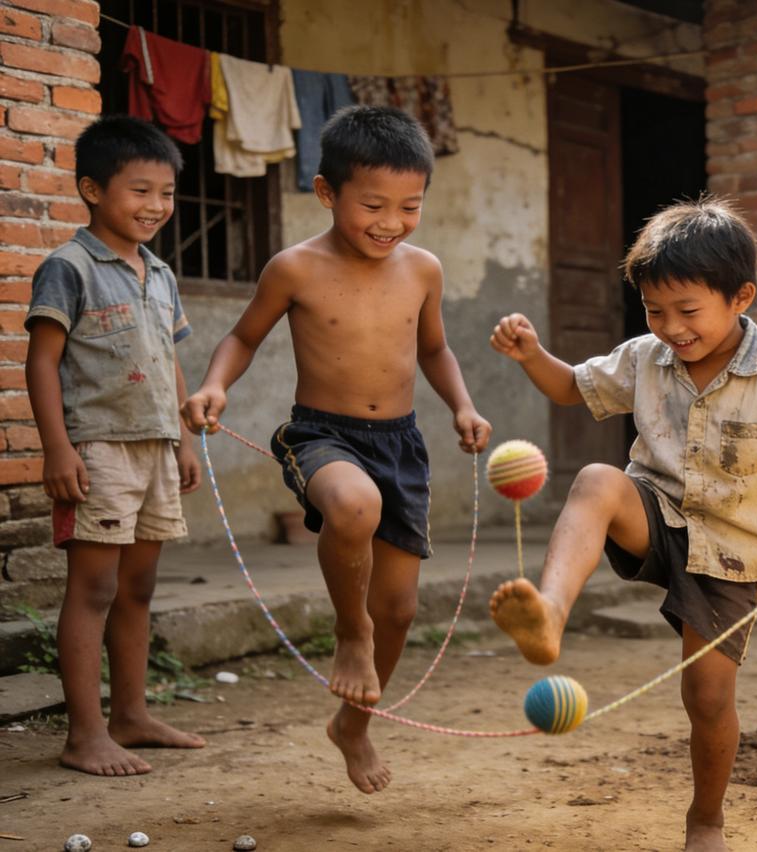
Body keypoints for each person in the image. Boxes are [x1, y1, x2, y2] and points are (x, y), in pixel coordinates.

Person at [487, 197, 757, 852]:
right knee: (597, 480)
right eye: (655, 311)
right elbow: (571, 388)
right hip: (654, 510)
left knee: (706, 698)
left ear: (740, 297)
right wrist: (532, 354)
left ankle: (706, 819)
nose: (671, 328)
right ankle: (550, 612)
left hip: (731, 552)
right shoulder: (644, 356)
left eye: (688, 311)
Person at [182, 105, 491, 794]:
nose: (391, 222)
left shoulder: (424, 270)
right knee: (353, 506)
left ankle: (352, 725)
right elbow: (242, 337)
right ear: (327, 192)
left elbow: (435, 350)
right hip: (322, 434)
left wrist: (463, 406)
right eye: (373, 205)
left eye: (410, 206)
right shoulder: (294, 268)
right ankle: (351, 633)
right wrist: (214, 385)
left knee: (400, 610)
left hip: (400, 443)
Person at [25, 115, 205, 776]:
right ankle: (85, 734)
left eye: (167, 193)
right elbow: (41, 362)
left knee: (139, 585)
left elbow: (169, 360)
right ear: (92, 190)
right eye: (140, 191)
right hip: (99, 450)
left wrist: (184, 439)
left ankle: (131, 716)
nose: (156, 206)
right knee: (94, 587)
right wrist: (57, 448)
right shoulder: (67, 268)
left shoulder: (160, 273)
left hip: (156, 448)